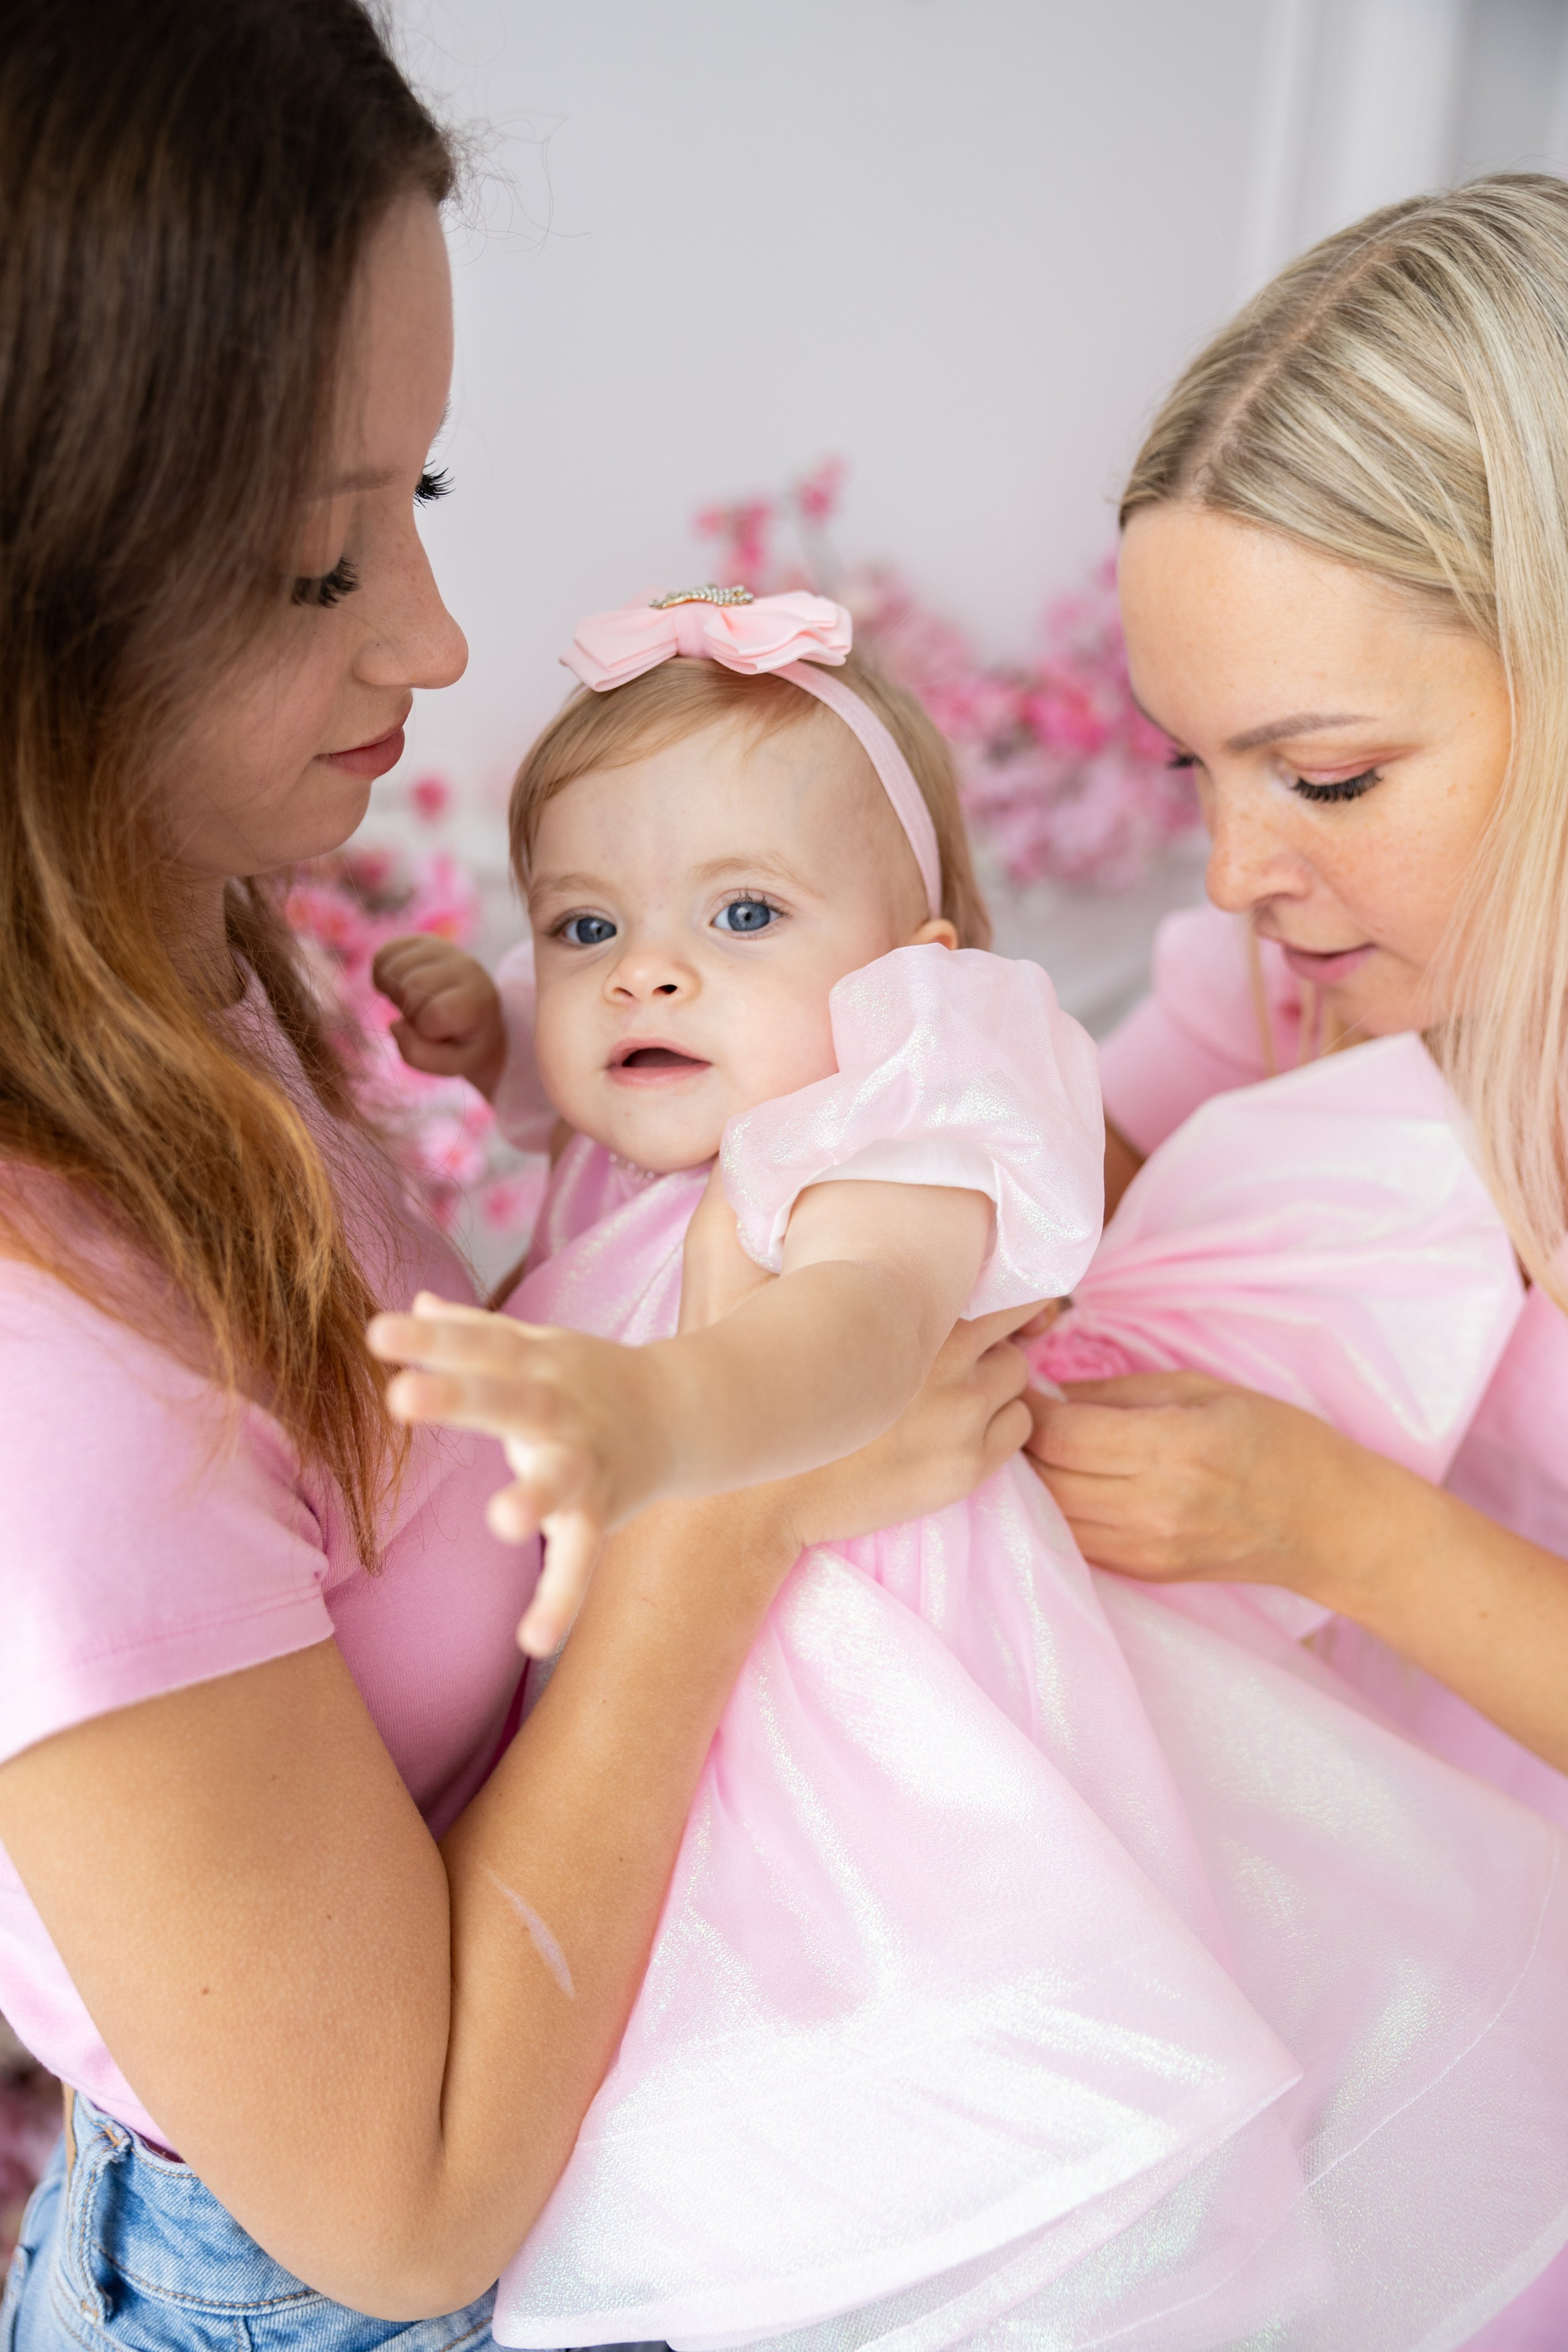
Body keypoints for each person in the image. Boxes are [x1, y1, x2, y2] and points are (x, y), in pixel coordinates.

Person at [0, 7, 1039, 2345]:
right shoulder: (50, 1357)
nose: (440, 645)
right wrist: (730, 1500)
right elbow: (403, 2212)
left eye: (420, 506)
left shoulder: (191, 961)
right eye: (306, 567)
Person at [372, 588, 1568, 2352]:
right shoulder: (707, 1125)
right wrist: (507, 1063)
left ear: (921, 976)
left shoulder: (901, 1147)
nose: (648, 971)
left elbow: (851, 1330)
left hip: (894, 1800)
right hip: (688, 1784)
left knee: (956, 2205)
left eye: (745, 913)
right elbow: (644, 1101)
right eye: (588, 925)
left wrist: (668, 1421)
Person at [1027, 172, 1568, 2351]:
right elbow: (1073, 1196)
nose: (1246, 867)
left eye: (1326, 774)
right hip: (1333, 1972)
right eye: (1197, 769)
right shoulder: (1294, 986)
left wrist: (1327, 1520)